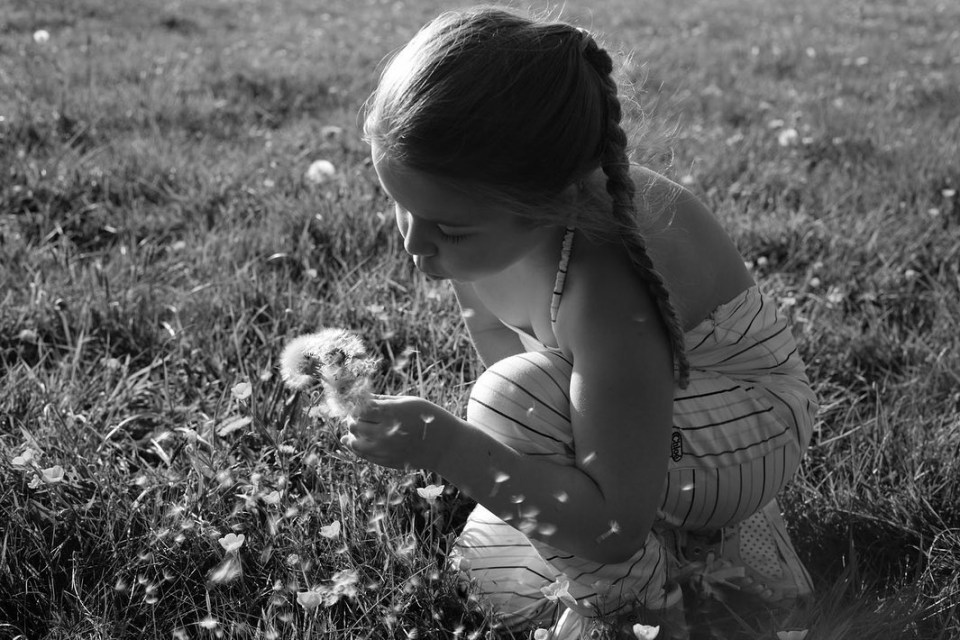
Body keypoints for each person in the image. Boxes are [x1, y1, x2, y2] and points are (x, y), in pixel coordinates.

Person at [341, 6, 818, 638]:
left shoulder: (602, 277)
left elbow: (611, 530)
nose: (413, 245)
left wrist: (444, 444)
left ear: (551, 202)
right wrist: (530, 468)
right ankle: (694, 543)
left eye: (447, 227)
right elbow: (509, 362)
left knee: (514, 407)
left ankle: (642, 614)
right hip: (663, 422)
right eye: (401, 205)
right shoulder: (493, 227)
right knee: (492, 577)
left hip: (749, 428)